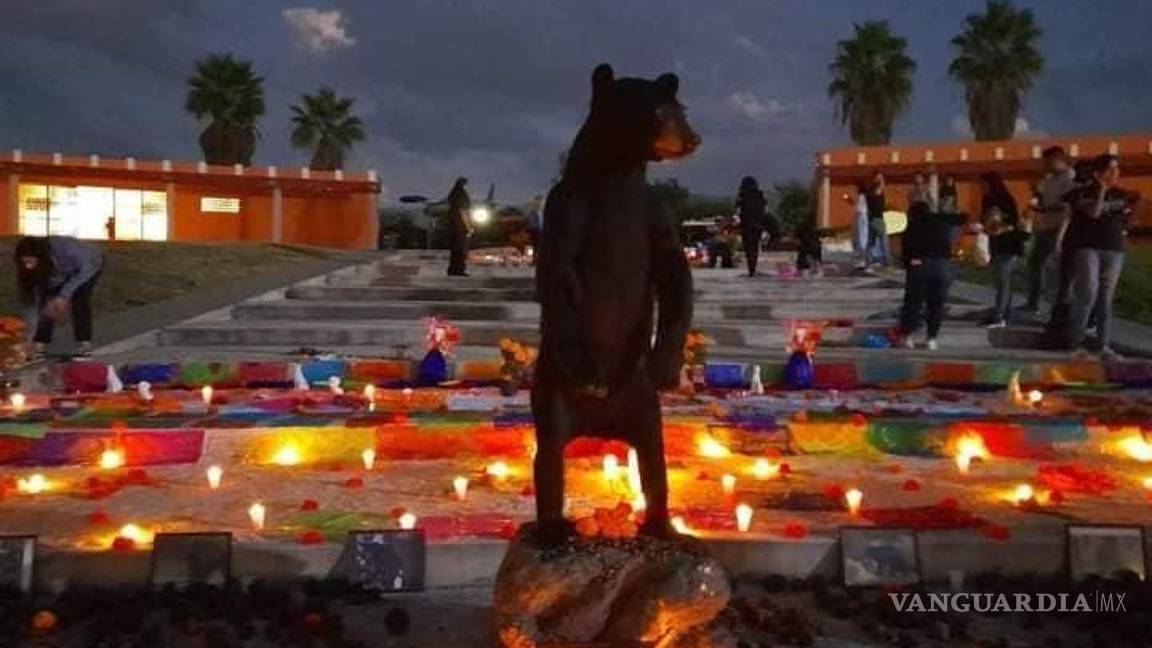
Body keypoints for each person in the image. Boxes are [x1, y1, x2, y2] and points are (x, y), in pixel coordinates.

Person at [1063, 154, 1139, 359]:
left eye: (1117, 169)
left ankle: (1102, 344)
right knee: (1087, 293)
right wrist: (1102, 190)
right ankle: (1076, 344)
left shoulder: (1122, 195)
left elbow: (1127, 215)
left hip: (1114, 249)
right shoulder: (1080, 194)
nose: (1116, 173)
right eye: (1111, 170)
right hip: (1088, 248)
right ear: (1098, 173)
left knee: (1106, 297)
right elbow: (1095, 212)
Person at [14, 236, 104, 360]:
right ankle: (39, 345)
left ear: (41, 257)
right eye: (25, 263)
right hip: (59, 273)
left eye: (31, 262)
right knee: (46, 302)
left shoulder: (67, 251)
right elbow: (32, 304)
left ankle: (84, 345)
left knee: (80, 300)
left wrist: (63, 296)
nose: (28, 267)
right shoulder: (32, 268)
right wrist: (28, 336)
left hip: (89, 266)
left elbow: (86, 269)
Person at [896, 202, 968, 350]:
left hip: (920, 264)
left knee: (913, 303)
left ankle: (907, 337)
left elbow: (907, 251)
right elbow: (962, 218)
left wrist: (910, 264)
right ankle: (931, 339)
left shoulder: (913, 226)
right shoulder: (941, 222)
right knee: (936, 304)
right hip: (942, 266)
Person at [1023, 147, 1075, 313]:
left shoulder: (1070, 178)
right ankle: (1033, 303)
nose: (1044, 164)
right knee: (1034, 263)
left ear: (1056, 159)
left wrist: (1048, 207)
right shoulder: (1050, 179)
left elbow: (1068, 205)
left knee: (1057, 269)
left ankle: (1061, 306)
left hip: (1060, 228)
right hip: (1045, 227)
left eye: (1047, 161)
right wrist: (1036, 196)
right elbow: (1043, 201)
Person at [984, 212, 1031, 329]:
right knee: (1005, 287)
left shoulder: (1010, 232)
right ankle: (1004, 316)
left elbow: (1026, 235)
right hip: (1006, 255)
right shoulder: (1004, 232)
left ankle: (1000, 317)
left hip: (1007, 256)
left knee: (1003, 288)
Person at [735, 176, 767, 276]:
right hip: (757, 227)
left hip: (746, 227)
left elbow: (738, 212)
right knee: (754, 248)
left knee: (749, 249)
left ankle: (751, 269)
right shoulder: (760, 197)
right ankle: (753, 268)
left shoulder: (742, 197)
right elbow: (763, 212)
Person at [444, 177, 472, 277]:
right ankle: (459, 270)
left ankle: (452, 270)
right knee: (461, 249)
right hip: (460, 226)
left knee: (454, 249)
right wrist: (468, 227)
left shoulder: (453, 194)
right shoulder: (462, 195)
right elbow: (463, 211)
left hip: (452, 225)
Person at [865, 170, 889, 267]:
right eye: (879, 178)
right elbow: (878, 192)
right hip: (877, 219)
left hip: (872, 218)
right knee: (884, 241)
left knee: (871, 242)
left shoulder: (870, 189)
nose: (881, 180)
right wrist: (882, 181)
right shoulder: (875, 188)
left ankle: (868, 261)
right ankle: (887, 261)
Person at [851, 183, 870, 268]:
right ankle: (864, 260)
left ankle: (862, 260)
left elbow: (859, 210)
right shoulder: (865, 197)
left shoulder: (861, 197)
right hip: (864, 221)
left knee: (861, 240)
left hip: (862, 221)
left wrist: (855, 221)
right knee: (863, 240)